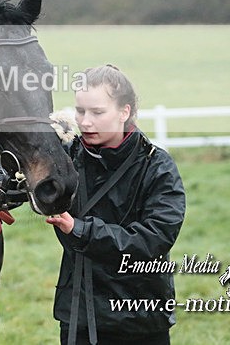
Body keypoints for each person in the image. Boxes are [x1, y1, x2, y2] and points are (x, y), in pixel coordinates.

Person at [46, 65, 186, 345]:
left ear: (125, 111)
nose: (85, 122)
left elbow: (154, 240)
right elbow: (20, 173)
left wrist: (80, 230)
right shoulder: (65, 156)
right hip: (79, 317)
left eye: (97, 113)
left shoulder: (157, 166)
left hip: (139, 319)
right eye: (80, 111)